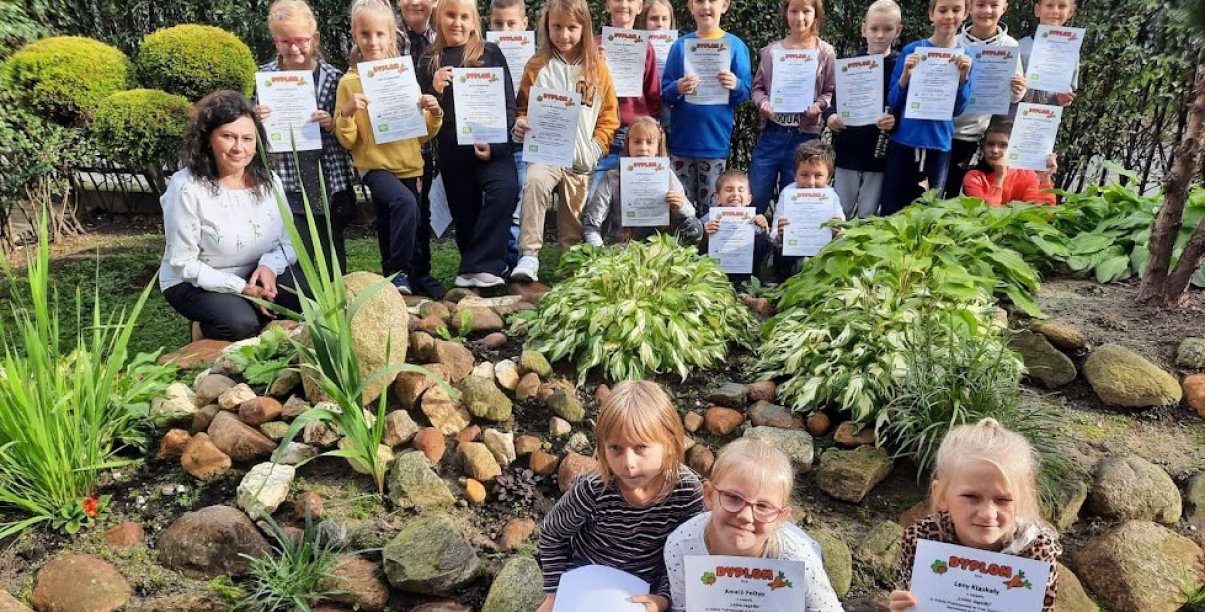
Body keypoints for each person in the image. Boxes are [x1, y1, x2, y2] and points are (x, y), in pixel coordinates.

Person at [538, 380, 703, 612]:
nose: (628, 464)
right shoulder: (593, 488)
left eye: (641, 448)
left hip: (646, 591)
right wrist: (555, 593)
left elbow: (686, 553)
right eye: (616, 448)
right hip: (587, 583)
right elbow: (553, 534)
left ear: (669, 444)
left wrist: (664, 597)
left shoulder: (686, 491)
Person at [160, 90, 303, 341]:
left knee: (307, 299)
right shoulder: (186, 188)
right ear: (208, 139)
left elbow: (289, 241)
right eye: (228, 136)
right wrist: (242, 288)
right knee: (240, 325)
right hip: (194, 281)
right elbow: (182, 262)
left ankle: (250, 309)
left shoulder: (270, 182)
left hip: (257, 272)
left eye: (248, 139)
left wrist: (269, 267)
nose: (239, 148)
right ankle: (203, 328)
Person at [888, 418, 1061, 612]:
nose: (987, 514)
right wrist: (901, 607)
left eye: (1003, 499)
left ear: (1022, 500)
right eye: (971, 496)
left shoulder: (1037, 552)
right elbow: (912, 596)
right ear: (941, 495)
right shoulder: (921, 538)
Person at [335, 0, 443, 295]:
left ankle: (398, 279)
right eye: (365, 34)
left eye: (380, 34)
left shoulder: (401, 75)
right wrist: (346, 113)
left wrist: (433, 112)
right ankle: (399, 273)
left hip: (410, 164)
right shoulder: (349, 83)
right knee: (404, 205)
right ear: (354, 34)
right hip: (375, 167)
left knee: (403, 221)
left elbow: (421, 134)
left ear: (392, 36)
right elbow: (347, 139)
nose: (373, 41)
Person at [663, 438, 843, 611]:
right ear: (709, 495)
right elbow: (682, 607)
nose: (745, 515)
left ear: (780, 517)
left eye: (763, 506)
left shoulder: (801, 561)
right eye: (734, 498)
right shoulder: (681, 546)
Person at [510, 0, 619, 283]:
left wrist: (595, 148)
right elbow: (522, 109)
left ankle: (568, 267)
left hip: (580, 160)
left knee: (573, 218)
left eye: (572, 27)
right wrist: (520, 125)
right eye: (557, 27)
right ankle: (529, 255)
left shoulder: (598, 70)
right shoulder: (537, 66)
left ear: (584, 28)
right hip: (545, 153)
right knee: (533, 182)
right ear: (547, 27)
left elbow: (609, 118)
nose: (564, 34)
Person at [420, 0, 519, 288]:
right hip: (453, 150)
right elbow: (423, 114)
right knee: (465, 211)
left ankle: (478, 266)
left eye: (465, 16)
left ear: (475, 20)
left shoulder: (490, 52)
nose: (457, 23)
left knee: (505, 189)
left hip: (492, 144)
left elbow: (508, 104)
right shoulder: (430, 59)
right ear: (439, 17)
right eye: (451, 15)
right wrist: (433, 89)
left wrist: (496, 144)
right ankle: (478, 270)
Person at [256, 0, 357, 272]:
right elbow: (253, 132)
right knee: (294, 238)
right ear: (275, 41)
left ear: (315, 39)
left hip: (326, 173)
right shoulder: (266, 78)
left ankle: (337, 290)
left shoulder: (332, 77)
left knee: (330, 241)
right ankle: (299, 296)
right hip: (288, 173)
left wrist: (331, 123)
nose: (294, 48)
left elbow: (349, 129)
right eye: (284, 41)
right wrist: (257, 118)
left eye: (300, 40)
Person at [879, 0, 973, 215]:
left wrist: (963, 79)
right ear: (931, 14)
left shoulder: (966, 57)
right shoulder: (912, 50)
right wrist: (905, 76)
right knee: (892, 209)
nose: (949, 15)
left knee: (928, 212)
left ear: (965, 13)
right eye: (942, 10)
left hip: (938, 143)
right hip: (904, 140)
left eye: (956, 10)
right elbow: (893, 101)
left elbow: (959, 109)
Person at [659, 0, 752, 215]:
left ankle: (709, 248)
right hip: (682, 142)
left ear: (725, 5)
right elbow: (666, 92)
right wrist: (678, 87)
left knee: (712, 208)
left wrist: (735, 84)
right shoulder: (680, 46)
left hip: (714, 142)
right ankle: (682, 248)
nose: (706, 6)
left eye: (713, 1)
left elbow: (745, 92)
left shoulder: (735, 46)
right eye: (700, 1)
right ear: (691, 6)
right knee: (681, 207)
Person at [749, 0, 836, 215]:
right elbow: (757, 87)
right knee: (757, 194)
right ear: (786, 13)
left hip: (804, 137)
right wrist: (763, 103)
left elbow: (831, 90)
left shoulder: (825, 52)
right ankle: (752, 245)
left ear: (816, 13)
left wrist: (819, 105)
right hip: (772, 134)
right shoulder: (771, 52)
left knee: (798, 200)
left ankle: (787, 247)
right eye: (794, 11)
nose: (800, 18)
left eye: (806, 11)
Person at [823, 0, 902, 218]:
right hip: (848, 150)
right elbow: (831, 102)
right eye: (874, 28)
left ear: (898, 31)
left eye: (887, 29)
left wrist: (895, 121)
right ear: (863, 28)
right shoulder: (849, 65)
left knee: (869, 215)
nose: (880, 35)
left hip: (880, 154)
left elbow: (904, 107)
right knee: (839, 213)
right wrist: (830, 117)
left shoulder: (901, 66)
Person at [944, 0, 1027, 198]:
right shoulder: (953, 43)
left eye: (993, 5)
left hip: (973, 135)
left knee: (959, 194)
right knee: (934, 189)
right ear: (969, 7)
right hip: (943, 131)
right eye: (980, 4)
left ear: (1004, 8)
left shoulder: (1010, 46)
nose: (987, 11)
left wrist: (1018, 88)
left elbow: (1015, 97)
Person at [582, 115, 703, 246]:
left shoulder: (667, 175)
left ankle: (675, 260)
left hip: (659, 245)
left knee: (694, 226)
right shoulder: (612, 177)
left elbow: (690, 212)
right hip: (620, 245)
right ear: (628, 144)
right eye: (637, 142)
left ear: (658, 146)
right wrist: (599, 255)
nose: (643, 147)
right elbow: (591, 225)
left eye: (650, 142)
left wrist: (680, 206)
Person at [588, 0, 661, 204]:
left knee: (637, 196)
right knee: (595, 195)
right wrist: (596, 67)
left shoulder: (646, 47)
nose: (623, 4)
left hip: (635, 132)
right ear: (607, 5)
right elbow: (582, 94)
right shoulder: (593, 46)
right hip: (601, 132)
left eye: (630, 0)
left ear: (639, 7)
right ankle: (592, 234)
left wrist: (646, 125)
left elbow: (652, 94)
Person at [396, 0, 446, 298]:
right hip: (392, 139)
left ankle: (420, 272)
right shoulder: (384, 34)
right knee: (398, 209)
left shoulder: (439, 38)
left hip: (426, 137)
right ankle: (396, 273)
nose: (415, 2)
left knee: (422, 207)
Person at [486, 0, 531, 270]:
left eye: (511, 24)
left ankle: (515, 260)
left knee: (520, 202)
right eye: (498, 24)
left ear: (524, 24)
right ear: (489, 24)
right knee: (497, 198)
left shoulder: (535, 60)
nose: (505, 30)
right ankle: (497, 259)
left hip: (524, 142)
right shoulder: (481, 57)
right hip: (494, 138)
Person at [769, 140, 844, 282]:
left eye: (818, 175)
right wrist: (780, 233)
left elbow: (843, 230)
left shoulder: (831, 196)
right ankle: (781, 280)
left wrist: (838, 230)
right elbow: (773, 234)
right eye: (804, 175)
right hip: (793, 248)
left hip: (821, 250)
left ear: (829, 177)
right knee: (781, 248)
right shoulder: (788, 193)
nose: (810, 182)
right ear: (795, 174)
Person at [961, 117, 1057, 206]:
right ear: (983, 147)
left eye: (1003, 145)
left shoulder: (1027, 175)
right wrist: (999, 179)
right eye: (990, 144)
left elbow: (1042, 214)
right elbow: (985, 214)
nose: (995, 150)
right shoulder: (974, 177)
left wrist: (1045, 178)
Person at [701, 169, 773, 286]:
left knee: (761, 241)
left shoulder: (754, 219)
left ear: (749, 199)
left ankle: (752, 284)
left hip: (747, 272)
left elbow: (766, 249)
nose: (735, 194)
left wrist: (764, 229)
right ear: (717, 197)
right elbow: (694, 246)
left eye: (741, 190)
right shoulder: (709, 218)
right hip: (715, 273)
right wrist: (704, 234)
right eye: (729, 190)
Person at [1017, 0, 1078, 107]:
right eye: (1049, 5)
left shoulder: (1071, 51)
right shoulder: (1020, 47)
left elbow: (1069, 89)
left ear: (1070, 12)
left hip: (1046, 119)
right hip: (1012, 119)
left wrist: (1064, 99)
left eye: (1062, 6)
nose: (1055, 11)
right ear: (1037, 10)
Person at [639, 0, 677, 131]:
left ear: (671, 22)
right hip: (644, 107)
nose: (660, 24)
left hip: (671, 107)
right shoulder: (633, 45)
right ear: (644, 20)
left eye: (665, 19)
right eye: (654, 18)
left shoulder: (680, 47)